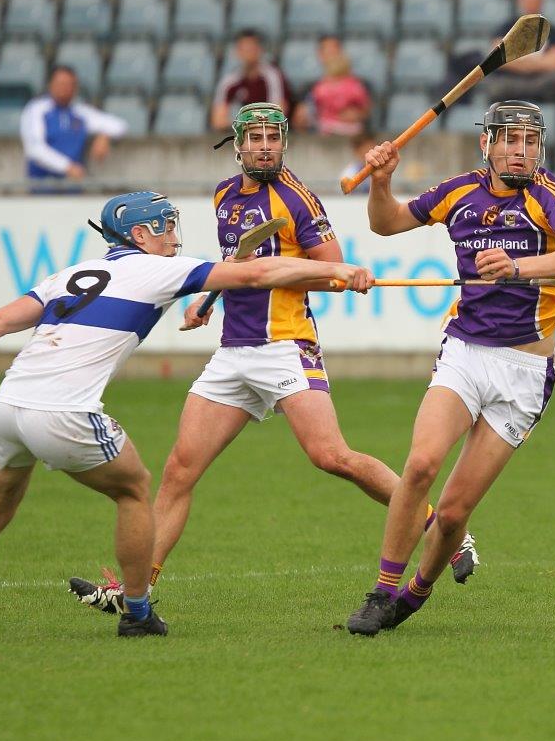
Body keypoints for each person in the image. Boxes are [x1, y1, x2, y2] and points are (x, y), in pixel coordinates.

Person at [0, 191, 372, 642]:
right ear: (140, 234)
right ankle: (139, 612)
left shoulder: (70, 273)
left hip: (8, 408)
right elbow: (254, 275)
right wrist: (336, 268)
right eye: (165, 226)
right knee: (134, 490)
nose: (173, 235)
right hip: (64, 414)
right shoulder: (156, 270)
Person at [68, 104, 481, 617]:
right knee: (179, 470)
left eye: (273, 136)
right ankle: (136, 594)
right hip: (233, 353)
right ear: (237, 144)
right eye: (255, 136)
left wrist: (330, 273)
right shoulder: (224, 195)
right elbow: (237, 264)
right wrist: (209, 299)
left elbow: (329, 270)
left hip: (286, 345)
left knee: (332, 457)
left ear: (284, 143)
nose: (265, 145)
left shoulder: (296, 197)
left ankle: (444, 529)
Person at [345, 100, 555, 636]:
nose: (520, 150)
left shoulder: (551, 197)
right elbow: (387, 225)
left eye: (529, 141)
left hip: (524, 373)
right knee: (419, 466)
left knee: (455, 514)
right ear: (488, 144)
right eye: (509, 139)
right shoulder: (458, 190)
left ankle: (413, 596)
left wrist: (518, 266)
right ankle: (382, 590)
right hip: (465, 352)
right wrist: (381, 183)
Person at [21, 65, 127, 186]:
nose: (65, 88)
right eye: (60, 84)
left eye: (69, 84)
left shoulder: (79, 112)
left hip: (73, 189)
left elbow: (119, 125)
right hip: (42, 188)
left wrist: (105, 135)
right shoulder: (36, 109)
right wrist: (67, 167)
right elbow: (35, 149)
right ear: (50, 85)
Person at [484, 0, 555, 103]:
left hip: (539, 80)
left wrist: (518, 62)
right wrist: (537, 63)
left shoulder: (553, 31)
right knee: (495, 85)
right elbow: (496, 59)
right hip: (510, 81)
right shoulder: (506, 28)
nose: (532, 0)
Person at [210, 29, 291, 131]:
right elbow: (218, 120)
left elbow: (278, 114)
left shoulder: (273, 76)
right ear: (237, 51)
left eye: (251, 48)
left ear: (260, 49)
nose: (248, 53)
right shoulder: (229, 82)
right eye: (244, 49)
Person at [297, 35, 371, 136]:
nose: (331, 56)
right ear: (320, 55)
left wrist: (358, 114)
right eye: (327, 52)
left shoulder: (360, 84)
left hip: (350, 135)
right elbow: (300, 120)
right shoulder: (310, 87)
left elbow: (366, 110)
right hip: (321, 136)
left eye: (334, 51)